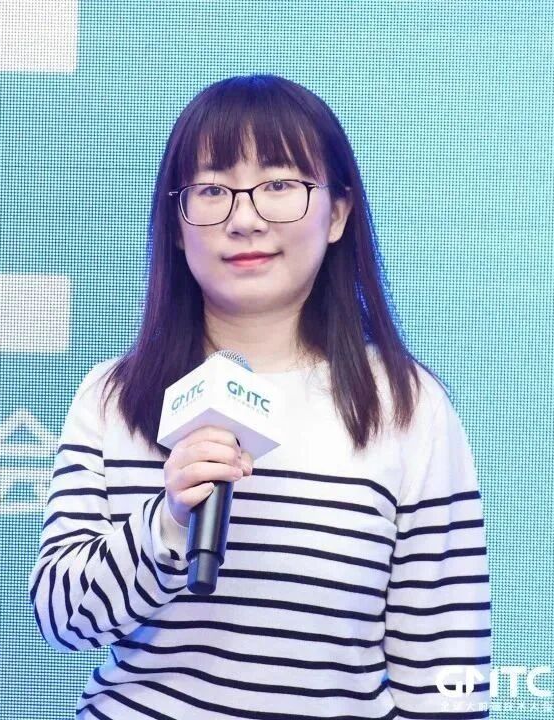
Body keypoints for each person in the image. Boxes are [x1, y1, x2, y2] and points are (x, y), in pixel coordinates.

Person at [28, 74, 491, 720]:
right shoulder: (114, 397)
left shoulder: (406, 406)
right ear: (177, 223)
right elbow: (62, 621)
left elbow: (446, 663)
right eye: (212, 190)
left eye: (278, 186)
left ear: (337, 214)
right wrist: (167, 522)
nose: (244, 219)